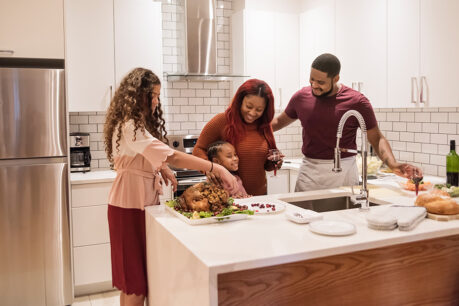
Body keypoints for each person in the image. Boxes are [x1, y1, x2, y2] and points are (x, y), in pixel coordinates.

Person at [103, 68, 237, 306]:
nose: (156, 101)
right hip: (127, 206)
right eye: (152, 95)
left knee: (139, 280)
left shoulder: (134, 125)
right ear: (137, 96)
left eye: (157, 95)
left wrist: (159, 166)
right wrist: (216, 168)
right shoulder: (129, 125)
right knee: (134, 284)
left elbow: (145, 156)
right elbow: (173, 157)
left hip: (138, 205)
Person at [271, 53, 422, 191]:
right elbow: (278, 121)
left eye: (320, 82)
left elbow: (376, 138)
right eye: (312, 79)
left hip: (345, 173)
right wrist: (250, 128)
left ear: (336, 78)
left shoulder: (357, 101)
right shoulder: (301, 97)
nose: (314, 85)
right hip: (310, 172)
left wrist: (393, 164)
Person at [192, 79, 282, 196]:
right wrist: (209, 168)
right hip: (230, 198)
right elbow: (198, 150)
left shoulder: (264, 126)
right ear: (239, 101)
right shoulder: (222, 121)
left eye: (259, 110)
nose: (252, 113)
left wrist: (275, 162)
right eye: (248, 106)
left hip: (260, 197)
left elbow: (266, 165)